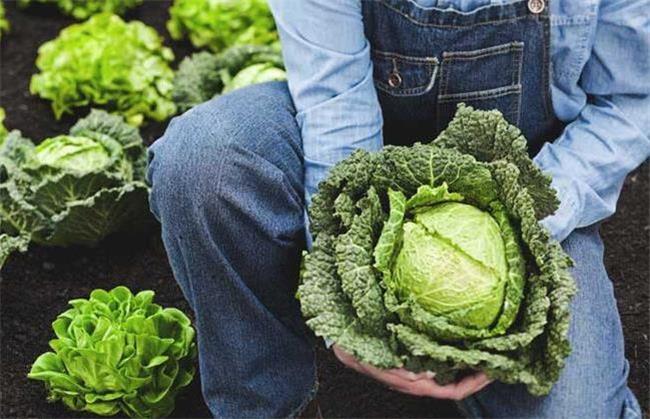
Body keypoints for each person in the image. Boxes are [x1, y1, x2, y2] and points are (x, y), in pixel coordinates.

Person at [147, 0, 649, 417]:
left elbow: (631, 100)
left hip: (530, 182)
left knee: (577, 410)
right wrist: (348, 306)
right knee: (206, 160)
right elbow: (337, 110)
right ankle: (271, 404)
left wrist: (525, 213)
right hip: (366, 150)